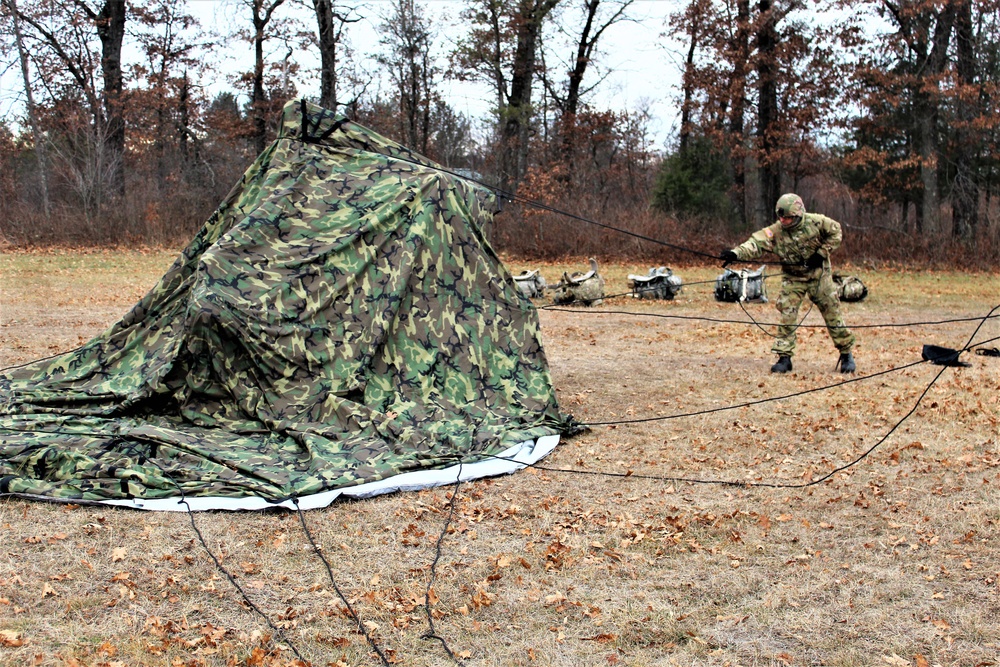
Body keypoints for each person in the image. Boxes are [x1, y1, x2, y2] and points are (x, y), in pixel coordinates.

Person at [720, 193, 856, 374]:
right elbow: (756, 243)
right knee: (787, 315)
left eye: (788, 217)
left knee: (832, 312)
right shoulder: (776, 231)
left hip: (819, 276)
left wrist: (821, 254)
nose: (783, 220)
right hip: (793, 279)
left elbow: (836, 232)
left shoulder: (817, 222)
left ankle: (846, 353)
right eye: (781, 217)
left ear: (798, 214)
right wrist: (735, 253)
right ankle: (784, 358)